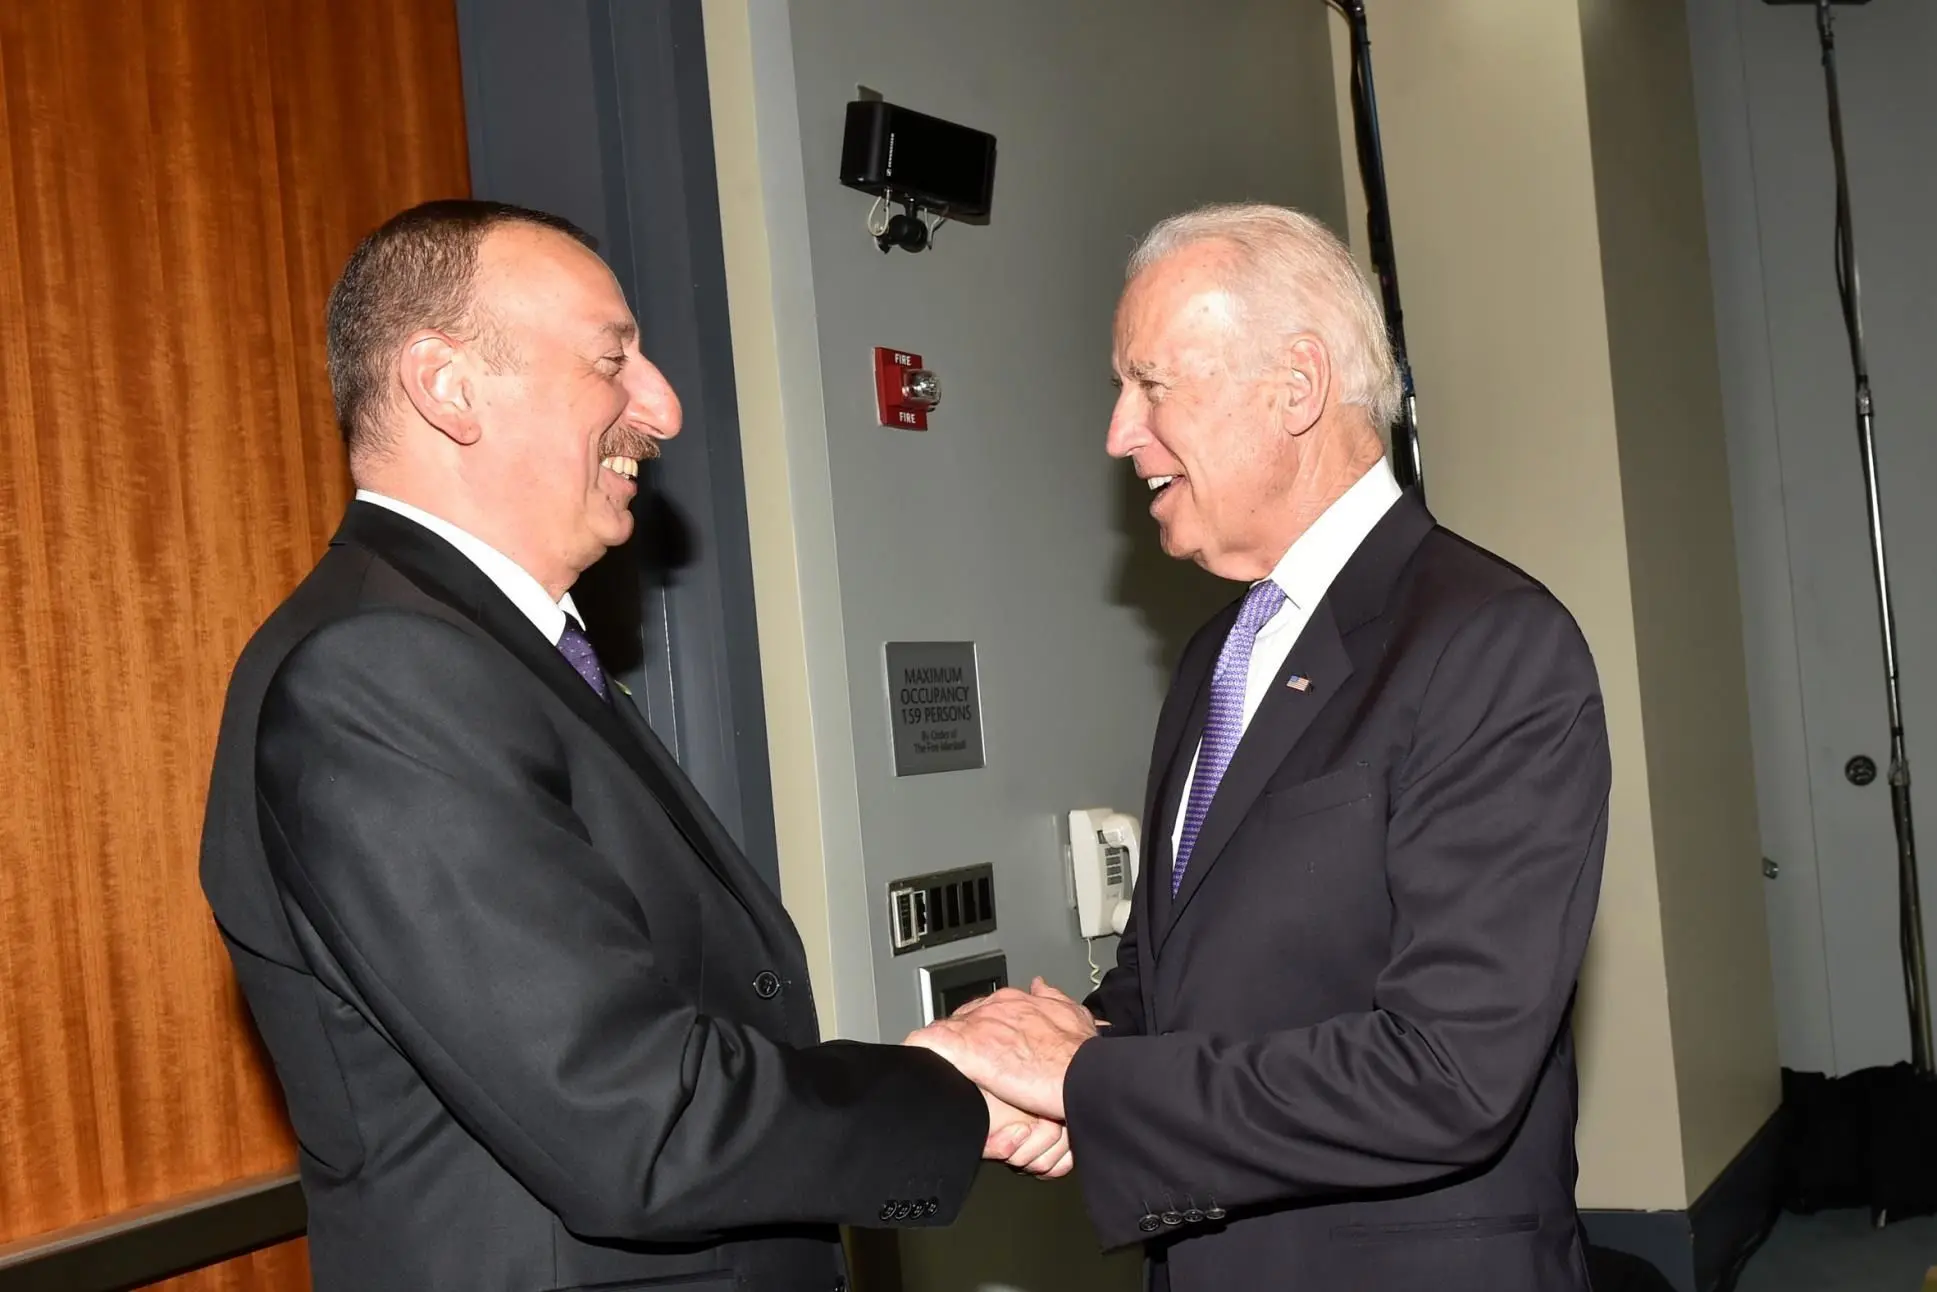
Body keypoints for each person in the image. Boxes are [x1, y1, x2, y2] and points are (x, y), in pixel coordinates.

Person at [199, 199, 1068, 1292]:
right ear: (446, 385)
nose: (660, 406)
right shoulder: (382, 672)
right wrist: (951, 1087)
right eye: (612, 359)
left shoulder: (491, 651)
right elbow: (626, 1119)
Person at [906, 203, 1611, 1292]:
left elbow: (1448, 1072)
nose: (1118, 433)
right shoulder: (1218, 654)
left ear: (1296, 385)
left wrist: (1088, 1082)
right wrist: (1059, 1053)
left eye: (1149, 384)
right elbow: (1174, 979)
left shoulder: (1489, 642)